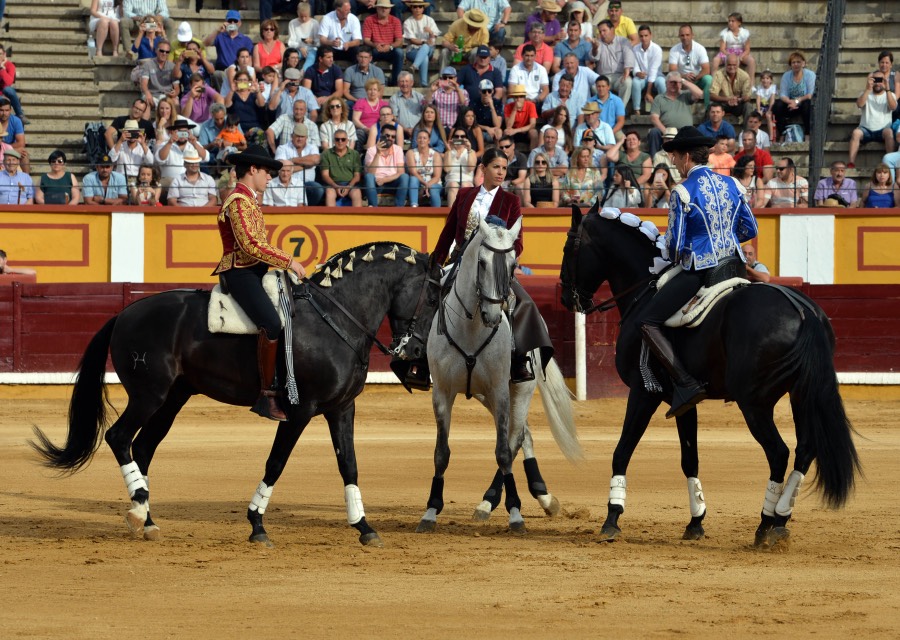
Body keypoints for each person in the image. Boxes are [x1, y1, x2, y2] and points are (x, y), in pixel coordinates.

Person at [642, 125, 757, 418]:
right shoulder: (733, 185)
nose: (675, 163)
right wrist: (723, 238)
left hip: (702, 271)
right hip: (735, 266)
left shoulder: (683, 191)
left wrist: (695, 247)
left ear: (685, 157)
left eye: (676, 157)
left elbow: (675, 245)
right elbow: (750, 228)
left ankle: (685, 381)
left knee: (648, 320)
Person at [431, 146, 554, 383]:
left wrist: (504, 259)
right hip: (460, 262)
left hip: (494, 266)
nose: (500, 172)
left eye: (504, 168)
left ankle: (519, 361)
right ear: (483, 168)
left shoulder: (510, 200)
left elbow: (518, 243)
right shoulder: (465, 195)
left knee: (524, 303)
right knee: (428, 293)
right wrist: (436, 262)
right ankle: (417, 357)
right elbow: (448, 233)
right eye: (496, 167)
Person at [212, 145, 306, 422]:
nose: (270, 177)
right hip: (240, 272)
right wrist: (289, 262)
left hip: (254, 270)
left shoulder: (248, 200)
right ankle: (267, 395)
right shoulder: (238, 202)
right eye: (266, 171)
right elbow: (251, 246)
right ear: (252, 170)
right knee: (272, 323)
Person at [647, 71, 703, 157]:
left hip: (684, 131)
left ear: (680, 84)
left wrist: (682, 80)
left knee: (694, 133)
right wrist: (666, 132)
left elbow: (699, 94)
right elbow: (654, 118)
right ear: (666, 84)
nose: (674, 84)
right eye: (671, 82)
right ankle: (653, 160)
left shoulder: (686, 95)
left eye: (676, 82)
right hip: (665, 130)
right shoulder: (659, 98)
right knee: (654, 132)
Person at [848, 71, 897, 168]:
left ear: (885, 81)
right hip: (865, 129)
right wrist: (867, 89)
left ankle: (891, 164)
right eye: (875, 80)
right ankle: (851, 163)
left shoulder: (890, 94)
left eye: (881, 80)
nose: (878, 83)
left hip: (883, 130)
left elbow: (893, 107)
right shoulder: (865, 93)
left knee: (889, 132)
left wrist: (887, 90)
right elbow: (859, 104)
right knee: (856, 133)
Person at [274, 123, 323, 205]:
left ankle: (309, 212)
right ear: (291, 136)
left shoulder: (312, 147)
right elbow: (281, 167)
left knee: (318, 189)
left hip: (308, 184)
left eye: (302, 136)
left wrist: (292, 160)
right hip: (288, 183)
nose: (300, 139)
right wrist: (307, 165)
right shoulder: (282, 148)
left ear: (306, 138)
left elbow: (315, 160)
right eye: (297, 136)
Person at [771, 51, 815, 143]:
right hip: (790, 104)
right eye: (793, 62)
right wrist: (790, 102)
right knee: (777, 105)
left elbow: (810, 94)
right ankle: (782, 133)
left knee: (808, 104)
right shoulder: (786, 76)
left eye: (798, 62)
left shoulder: (810, 75)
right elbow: (783, 94)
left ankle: (807, 134)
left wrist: (797, 101)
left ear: (803, 63)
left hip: (803, 102)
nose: (796, 64)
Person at [668, 24, 712, 110]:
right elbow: (672, 70)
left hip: (697, 79)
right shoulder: (674, 50)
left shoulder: (700, 48)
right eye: (682, 35)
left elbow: (706, 69)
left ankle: (708, 109)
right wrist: (684, 77)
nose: (685, 37)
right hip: (681, 80)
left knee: (709, 79)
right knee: (669, 79)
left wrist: (695, 78)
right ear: (679, 36)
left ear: (692, 35)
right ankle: (670, 109)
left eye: (687, 35)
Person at [363, 123, 408, 205]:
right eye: (387, 135)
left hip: (393, 183)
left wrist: (385, 180)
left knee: (405, 177)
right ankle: (373, 208)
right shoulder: (371, 150)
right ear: (381, 135)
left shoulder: (398, 149)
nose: (390, 138)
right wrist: (378, 153)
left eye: (393, 137)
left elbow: (401, 172)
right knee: (369, 177)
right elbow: (370, 173)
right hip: (376, 184)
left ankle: (400, 209)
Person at [362, 0, 404, 87]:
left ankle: (395, 82)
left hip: (390, 49)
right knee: (366, 54)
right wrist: (375, 45)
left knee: (399, 53)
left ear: (390, 9)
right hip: (375, 48)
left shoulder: (395, 21)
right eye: (382, 7)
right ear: (377, 8)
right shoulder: (369, 20)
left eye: (386, 8)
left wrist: (390, 46)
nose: (384, 10)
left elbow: (399, 41)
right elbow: (366, 39)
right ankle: (369, 82)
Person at [155, 117, 210, 184]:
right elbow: (159, 159)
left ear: (189, 132)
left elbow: (206, 157)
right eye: (179, 132)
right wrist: (170, 143)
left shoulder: (194, 144)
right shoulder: (165, 144)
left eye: (185, 132)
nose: (182, 135)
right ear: (172, 132)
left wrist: (194, 143)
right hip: (170, 182)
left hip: (191, 182)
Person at [591, 20, 632, 108]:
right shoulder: (598, 43)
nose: (602, 33)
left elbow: (628, 55)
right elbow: (593, 58)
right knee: (594, 87)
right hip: (604, 77)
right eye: (600, 31)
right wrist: (594, 48)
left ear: (612, 29)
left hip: (619, 76)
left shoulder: (623, 41)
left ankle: (620, 109)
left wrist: (627, 69)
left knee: (627, 82)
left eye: (604, 30)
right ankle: (605, 108)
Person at [204, 10, 254, 76]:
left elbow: (249, 59)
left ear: (239, 23)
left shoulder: (246, 40)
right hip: (223, 70)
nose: (232, 23)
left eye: (235, 21)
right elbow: (206, 43)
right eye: (230, 21)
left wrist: (245, 73)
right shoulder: (220, 36)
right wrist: (217, 31)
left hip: (238, 71)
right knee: (217, 74)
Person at [321, 130, 363, 206]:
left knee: (357, 192)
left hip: (350, 184)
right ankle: (331, 217)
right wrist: (335, 186)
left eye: (343, 139)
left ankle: (357, 218)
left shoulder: (355, 154)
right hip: (332, 184)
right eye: (337, 139)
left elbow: (357, 176)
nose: (340, 141)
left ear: (347, 141)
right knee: (330, 193)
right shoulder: (326, 153)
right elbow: (325, 175)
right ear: (334, 141)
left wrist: (348, 187)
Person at [710, 53, 754, 125]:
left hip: (738, 104)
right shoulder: (718, 74)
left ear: (738, 65)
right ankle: (708, 133)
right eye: (729, 65)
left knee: (748, 106)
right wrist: (727, 99)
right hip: (723, 104)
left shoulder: (745, 76)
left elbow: (747, 97)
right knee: (711, 107)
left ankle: (748, 133)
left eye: (734, 65)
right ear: (725, 64)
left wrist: (738, 99)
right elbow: (712, 95)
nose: (732, 67)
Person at [711, 12, 755, 83]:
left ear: (739, 23)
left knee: (751, 61)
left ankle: (751, 84)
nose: (730, 23)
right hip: (727, 52)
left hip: (741, 53)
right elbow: (722, 49)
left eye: (733, 21)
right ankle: (713, 82)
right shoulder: (725, 33)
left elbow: (747, 49)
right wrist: (729, 55)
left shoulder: (744, 33)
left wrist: (741, 56)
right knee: (715, 60)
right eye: (729, 21)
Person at [631, 24, 664, 115]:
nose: (644, 38)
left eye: (646, 36)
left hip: (657, 76)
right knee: (635, 82)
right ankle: (636, 109)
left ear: (650, 35)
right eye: (641, 36)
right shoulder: (635, 49)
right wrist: (637, 73)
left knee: (662, 82)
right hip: (643, 77)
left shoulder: (657, 49)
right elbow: (635, 66)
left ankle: (664, 108)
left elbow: (654, 71)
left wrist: (648, 92)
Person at [406, 129, 443, 207]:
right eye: (419, 138)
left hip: (433, 183)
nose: (422, 140)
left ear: (429, 141)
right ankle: (414, 206)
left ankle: (437, 214)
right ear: (416, 140)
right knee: (413, 178)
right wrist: (425, 184)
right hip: (418, 183)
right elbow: (413, 172)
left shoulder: (435, 154)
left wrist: (427, 186)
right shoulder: (411, 153)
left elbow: (437, 177)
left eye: (424, 138)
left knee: (433, 189)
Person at [508, 44, 550, 110]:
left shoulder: (541, 69)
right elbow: (511, 89)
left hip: (536, 101)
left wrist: (536, 100)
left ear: (535, 56)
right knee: (510, 101)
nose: (529, 58)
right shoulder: (515, 69)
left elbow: (545, 90)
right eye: (527, 55)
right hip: (519, 99)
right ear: (522, 56)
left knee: (548, 102)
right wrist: (522, 100)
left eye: (532, 56)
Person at [303, 46, 345, 111]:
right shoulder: (310, 70)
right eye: (328, 57)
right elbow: (306, 90)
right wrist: (315, 100)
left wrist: (327, 99)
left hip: (331, 99)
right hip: (314, 99)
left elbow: (339, 91)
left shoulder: (336, 70)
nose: (331, 60)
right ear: (320, 59)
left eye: (332, 57)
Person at [428, 66, 469, 131]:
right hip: (439, 127)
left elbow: (464, 106)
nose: (447, 79)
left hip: (455, 128)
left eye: (450, 77)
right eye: (445, 77)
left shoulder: (463, 92)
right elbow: (426, 104)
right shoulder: (436, 91)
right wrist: (431, 91)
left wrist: (458, 90)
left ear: (455, 79)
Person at [443, 126, 476, 207]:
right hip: (451, 180)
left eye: (462, 137)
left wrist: (469, 149)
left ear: (467, 138)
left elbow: (471, 168)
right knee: (453, 185)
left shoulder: (471, 152)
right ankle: (451, 215)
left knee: (465, 185)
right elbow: (446, 169)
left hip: (467, 180)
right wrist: (449, 150)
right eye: (456, 136)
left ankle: (465, 215)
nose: (459, 138)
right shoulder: (449, 152)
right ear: (453, 138)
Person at [587, 75, 625, 141]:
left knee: (620, 138)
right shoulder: (590, 101)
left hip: (613, 129)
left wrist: (610, 133)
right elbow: (588, 120)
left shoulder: (617, 100)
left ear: (608, 87)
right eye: (598, 86)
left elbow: (621, 121)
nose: (601, 89)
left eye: (603, 86)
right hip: (595, 130)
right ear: (596, 87)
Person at [352, 78, 390, 144]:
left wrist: (376, 130)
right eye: (370, 89)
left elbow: (388, 119)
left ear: (378, 92)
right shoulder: (360, 102)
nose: (372, 92)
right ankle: (358, 154)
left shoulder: (384, 104)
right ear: (366, 91)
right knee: (359, 134)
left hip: (379, 129)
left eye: (375, 89)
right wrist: (365, 128)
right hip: (363, 130)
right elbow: (355, 119)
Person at [288, 3, 319, 72]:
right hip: (297, 49)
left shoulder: (314, 23)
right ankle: (291, 73)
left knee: (311, 57)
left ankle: (303, 72)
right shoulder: (292, 23)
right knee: (292, 57)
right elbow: (290, 42)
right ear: (297, 13)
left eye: (306, 16)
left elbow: (318, 42)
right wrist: (300, 47)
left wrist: (312, 41)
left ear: (310, 14)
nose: (304, 19)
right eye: (301, 16)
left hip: (311, 49)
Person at [754, 70, 778, 141]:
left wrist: (769, 110)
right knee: (757, 116)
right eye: (763, 78)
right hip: (762, 106)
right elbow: (758, 100)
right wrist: (758, 110)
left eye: (767, 78)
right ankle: (755, 134)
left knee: (768, 116)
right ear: (761, 80)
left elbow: (772, 100)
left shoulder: (773, 87)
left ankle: (771, 136)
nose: (765, 80)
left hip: (770, 106)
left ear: (771, 80)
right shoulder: (759, 88)